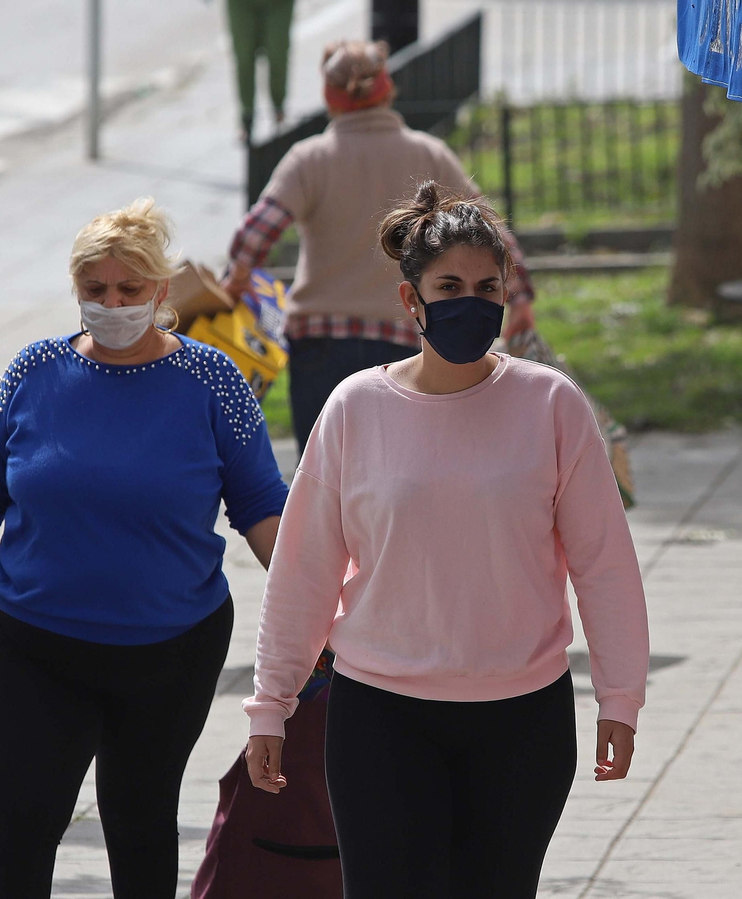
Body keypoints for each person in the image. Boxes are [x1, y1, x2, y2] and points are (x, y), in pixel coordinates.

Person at [241, 183, 650, 898]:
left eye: (487, 286)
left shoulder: (551, 404)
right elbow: (304, 569)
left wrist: (620, 697)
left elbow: (605, 566)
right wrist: (271, 701)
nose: (472, 301)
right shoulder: (355, 408)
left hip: (522, 719)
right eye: (450, 286)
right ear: (411, 301)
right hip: (379, 716)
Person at [0, 198, 288, 899]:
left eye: (128, 290)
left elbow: (263, 506)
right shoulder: (35, 371)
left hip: (171, 647)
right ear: (76, 290)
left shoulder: (213, 381)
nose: (111, 304)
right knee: (21, 826)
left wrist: (317, 606)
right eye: (95, 291)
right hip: (34, 641)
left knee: (140, 822)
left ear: (161, 291)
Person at [222, 38, 537, 455]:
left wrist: (238, 280)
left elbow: (256, 235)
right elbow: (488, 230)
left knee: (324, 474)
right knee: (402, 468)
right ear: (388, 90)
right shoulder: (428, 154)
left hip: (320, 343)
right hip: (402, 336)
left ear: (328, 96)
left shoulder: (309, 158)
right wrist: (522, 299)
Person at [226, 0, 297, 141]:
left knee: (278, 54)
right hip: (241, 4)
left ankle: (279, 112)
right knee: (243, 57)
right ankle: (247, 118)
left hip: (278, 5)